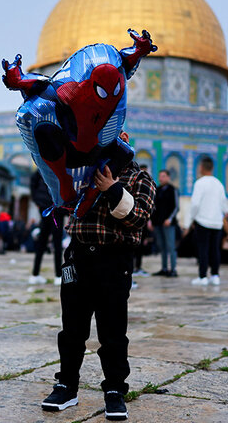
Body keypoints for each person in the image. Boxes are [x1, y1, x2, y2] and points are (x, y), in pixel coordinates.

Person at [41, 131, 155, 421]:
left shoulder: (140, 179)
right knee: (72, 329)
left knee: (113, 332)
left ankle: (115, 390)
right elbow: (64, 199)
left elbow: (138, 216)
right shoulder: (83, 172)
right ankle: (67, 385)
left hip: (114, 262)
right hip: (79, 257)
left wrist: (113, 189)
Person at [189, 156, 227, 286]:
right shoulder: (219, 184)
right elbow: (224, 205)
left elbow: (195, 204)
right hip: (217, 222)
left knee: (203, 249)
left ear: (201, 167)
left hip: (202, 221)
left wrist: (191, 219)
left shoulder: (200, 183)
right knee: (215, 249)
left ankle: (203, 276)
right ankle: (215, 276)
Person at [30, 170, 63, 285]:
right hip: (52, 207)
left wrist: (37, 200)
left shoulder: (42, 161)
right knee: (56, 241)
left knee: (43, 240)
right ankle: (58, 275)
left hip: (50, 206)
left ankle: (35, 274)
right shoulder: (54, 161)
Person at [150, 169, 179, 277]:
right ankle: (164, 268)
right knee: (162, 247)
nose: (161, 178)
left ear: (168, 177)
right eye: (160, 176)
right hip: (158, 223)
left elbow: (176, 207)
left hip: (169, 224)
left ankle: (173, 269)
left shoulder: (173, 190)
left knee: (170, 246)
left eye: (163, 176)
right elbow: (153, 206)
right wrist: (151, 221)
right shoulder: (157, 190)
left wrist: (169, 219)